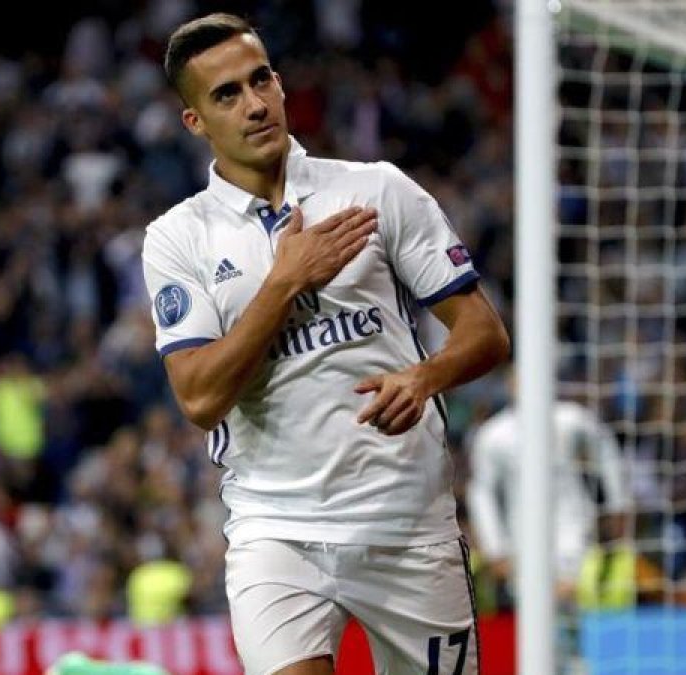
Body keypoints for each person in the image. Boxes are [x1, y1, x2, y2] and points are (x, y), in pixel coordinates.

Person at [141, 14, 510, 675]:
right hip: (276, 530)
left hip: (407, 522)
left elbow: (485, 333)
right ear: (195, 121)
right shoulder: (179, 238)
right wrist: (285, 282)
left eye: (261, 80)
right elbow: (198, 398)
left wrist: (423, 377)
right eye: (227, 94)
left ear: (281, 84)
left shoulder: (377, 190)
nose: (255, 104)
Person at [466, 379, 631, 602]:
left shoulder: (571, 418)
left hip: (574, 525)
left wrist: (618, 504)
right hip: (520, 534)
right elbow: (481, 492)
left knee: (571, 599)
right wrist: (494, 548)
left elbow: (606, 451)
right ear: (509, 384)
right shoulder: (494, 434)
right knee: (530, 605)